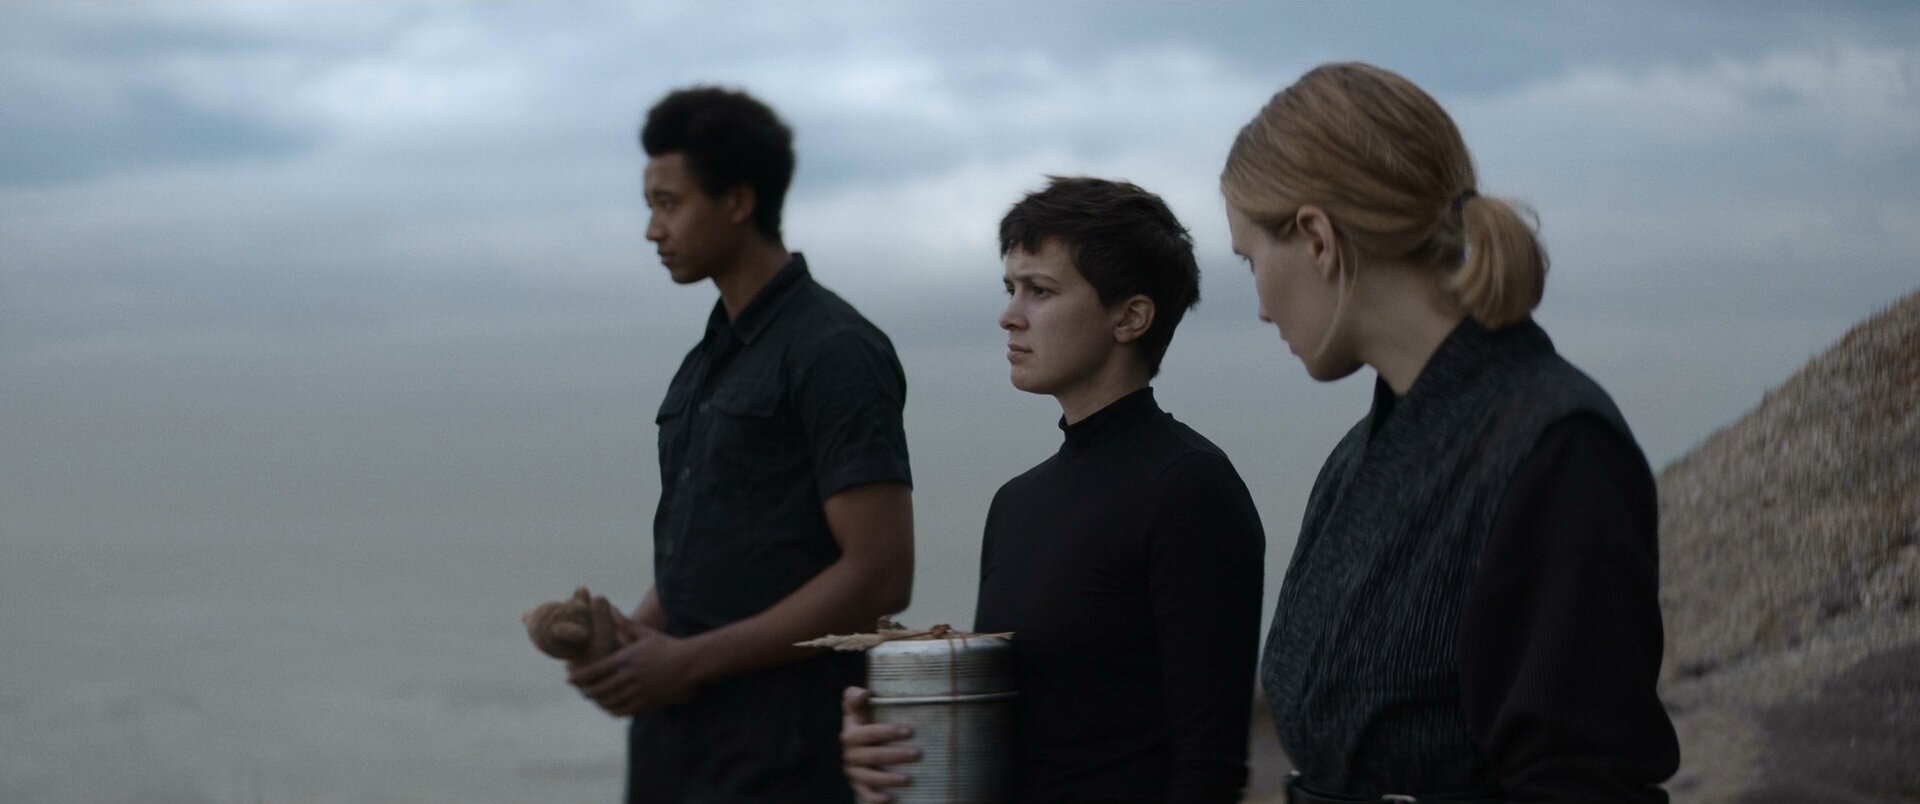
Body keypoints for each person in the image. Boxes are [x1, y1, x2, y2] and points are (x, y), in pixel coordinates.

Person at [1219, 63, 1680, 802]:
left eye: (1250, 262)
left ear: (1316, 238)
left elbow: (1580, 780)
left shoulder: (1559, 448)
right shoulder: (1352, 465)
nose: (1262, 309)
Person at [841, 177, 1267, 803]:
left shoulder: (1189, 488)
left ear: (1131, 317)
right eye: (1010, 288)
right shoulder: (1016, 504)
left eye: (1039, 290)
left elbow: (1210, 766)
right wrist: (894, 743)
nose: (1009, 315)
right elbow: (1011, 732)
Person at [567, 86, 916, 804]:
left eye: (669, 203)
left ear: (737, 201)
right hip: (677, 751)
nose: (652, 230)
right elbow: (713, 545)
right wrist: (626, 643)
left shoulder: (833, 349)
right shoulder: (708, 358)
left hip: (787, 755)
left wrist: (687, 661)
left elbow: (880, 574)